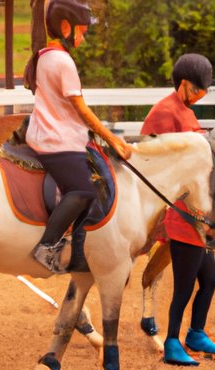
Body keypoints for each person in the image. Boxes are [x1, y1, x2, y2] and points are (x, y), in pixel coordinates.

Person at [24, 0, 132, 272]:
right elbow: (82, 110)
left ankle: (76, 249)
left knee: (89, 188)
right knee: (83, 191)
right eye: (81, 32)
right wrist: (113, 139)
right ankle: (46, 246)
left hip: (47, 133)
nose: (83, 38)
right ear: (65, 27)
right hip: (56, 141)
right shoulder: (63, 62)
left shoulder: (45, 55)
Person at [141, 53, 215, 366]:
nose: (202, 95)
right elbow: (160, 158)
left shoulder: (185, 111)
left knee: (210, 280)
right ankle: (173, 343)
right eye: (199, 89)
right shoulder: (165, 112)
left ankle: (196, 333)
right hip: (183, 212)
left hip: (197, 211)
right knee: (184, 286)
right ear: (185, 84)